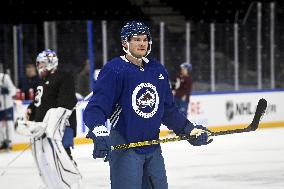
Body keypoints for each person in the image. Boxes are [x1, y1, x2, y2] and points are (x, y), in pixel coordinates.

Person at [83, 21, 213, 189]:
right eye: (137, 39)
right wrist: (98, 129)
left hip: (152, 146)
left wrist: (189, 129)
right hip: (126, 145)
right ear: (125, 43)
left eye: (145, 39)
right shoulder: (115, 69)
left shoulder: (157, 70)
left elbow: (167, 109)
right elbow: (96, 106)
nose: (142, 43)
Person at [16, 49, 82, 188]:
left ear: (51, 63)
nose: (39, 67)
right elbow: (39, 102)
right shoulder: (42, 81)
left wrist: (53, 121)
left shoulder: (63, 77)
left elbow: (67, 103)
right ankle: (55, 183)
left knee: (63, 155)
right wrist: (31, 110)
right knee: (47, 159)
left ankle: (71, 183)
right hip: (44, 128)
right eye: (38, 64)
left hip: (62, 125)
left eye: (42, 63)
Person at [0, 65, 16, 150]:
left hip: (7, 105)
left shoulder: (4, 77)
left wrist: (7, 93)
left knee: (9, 124)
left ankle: (10, 142)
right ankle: (2, 142)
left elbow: (13, 90)